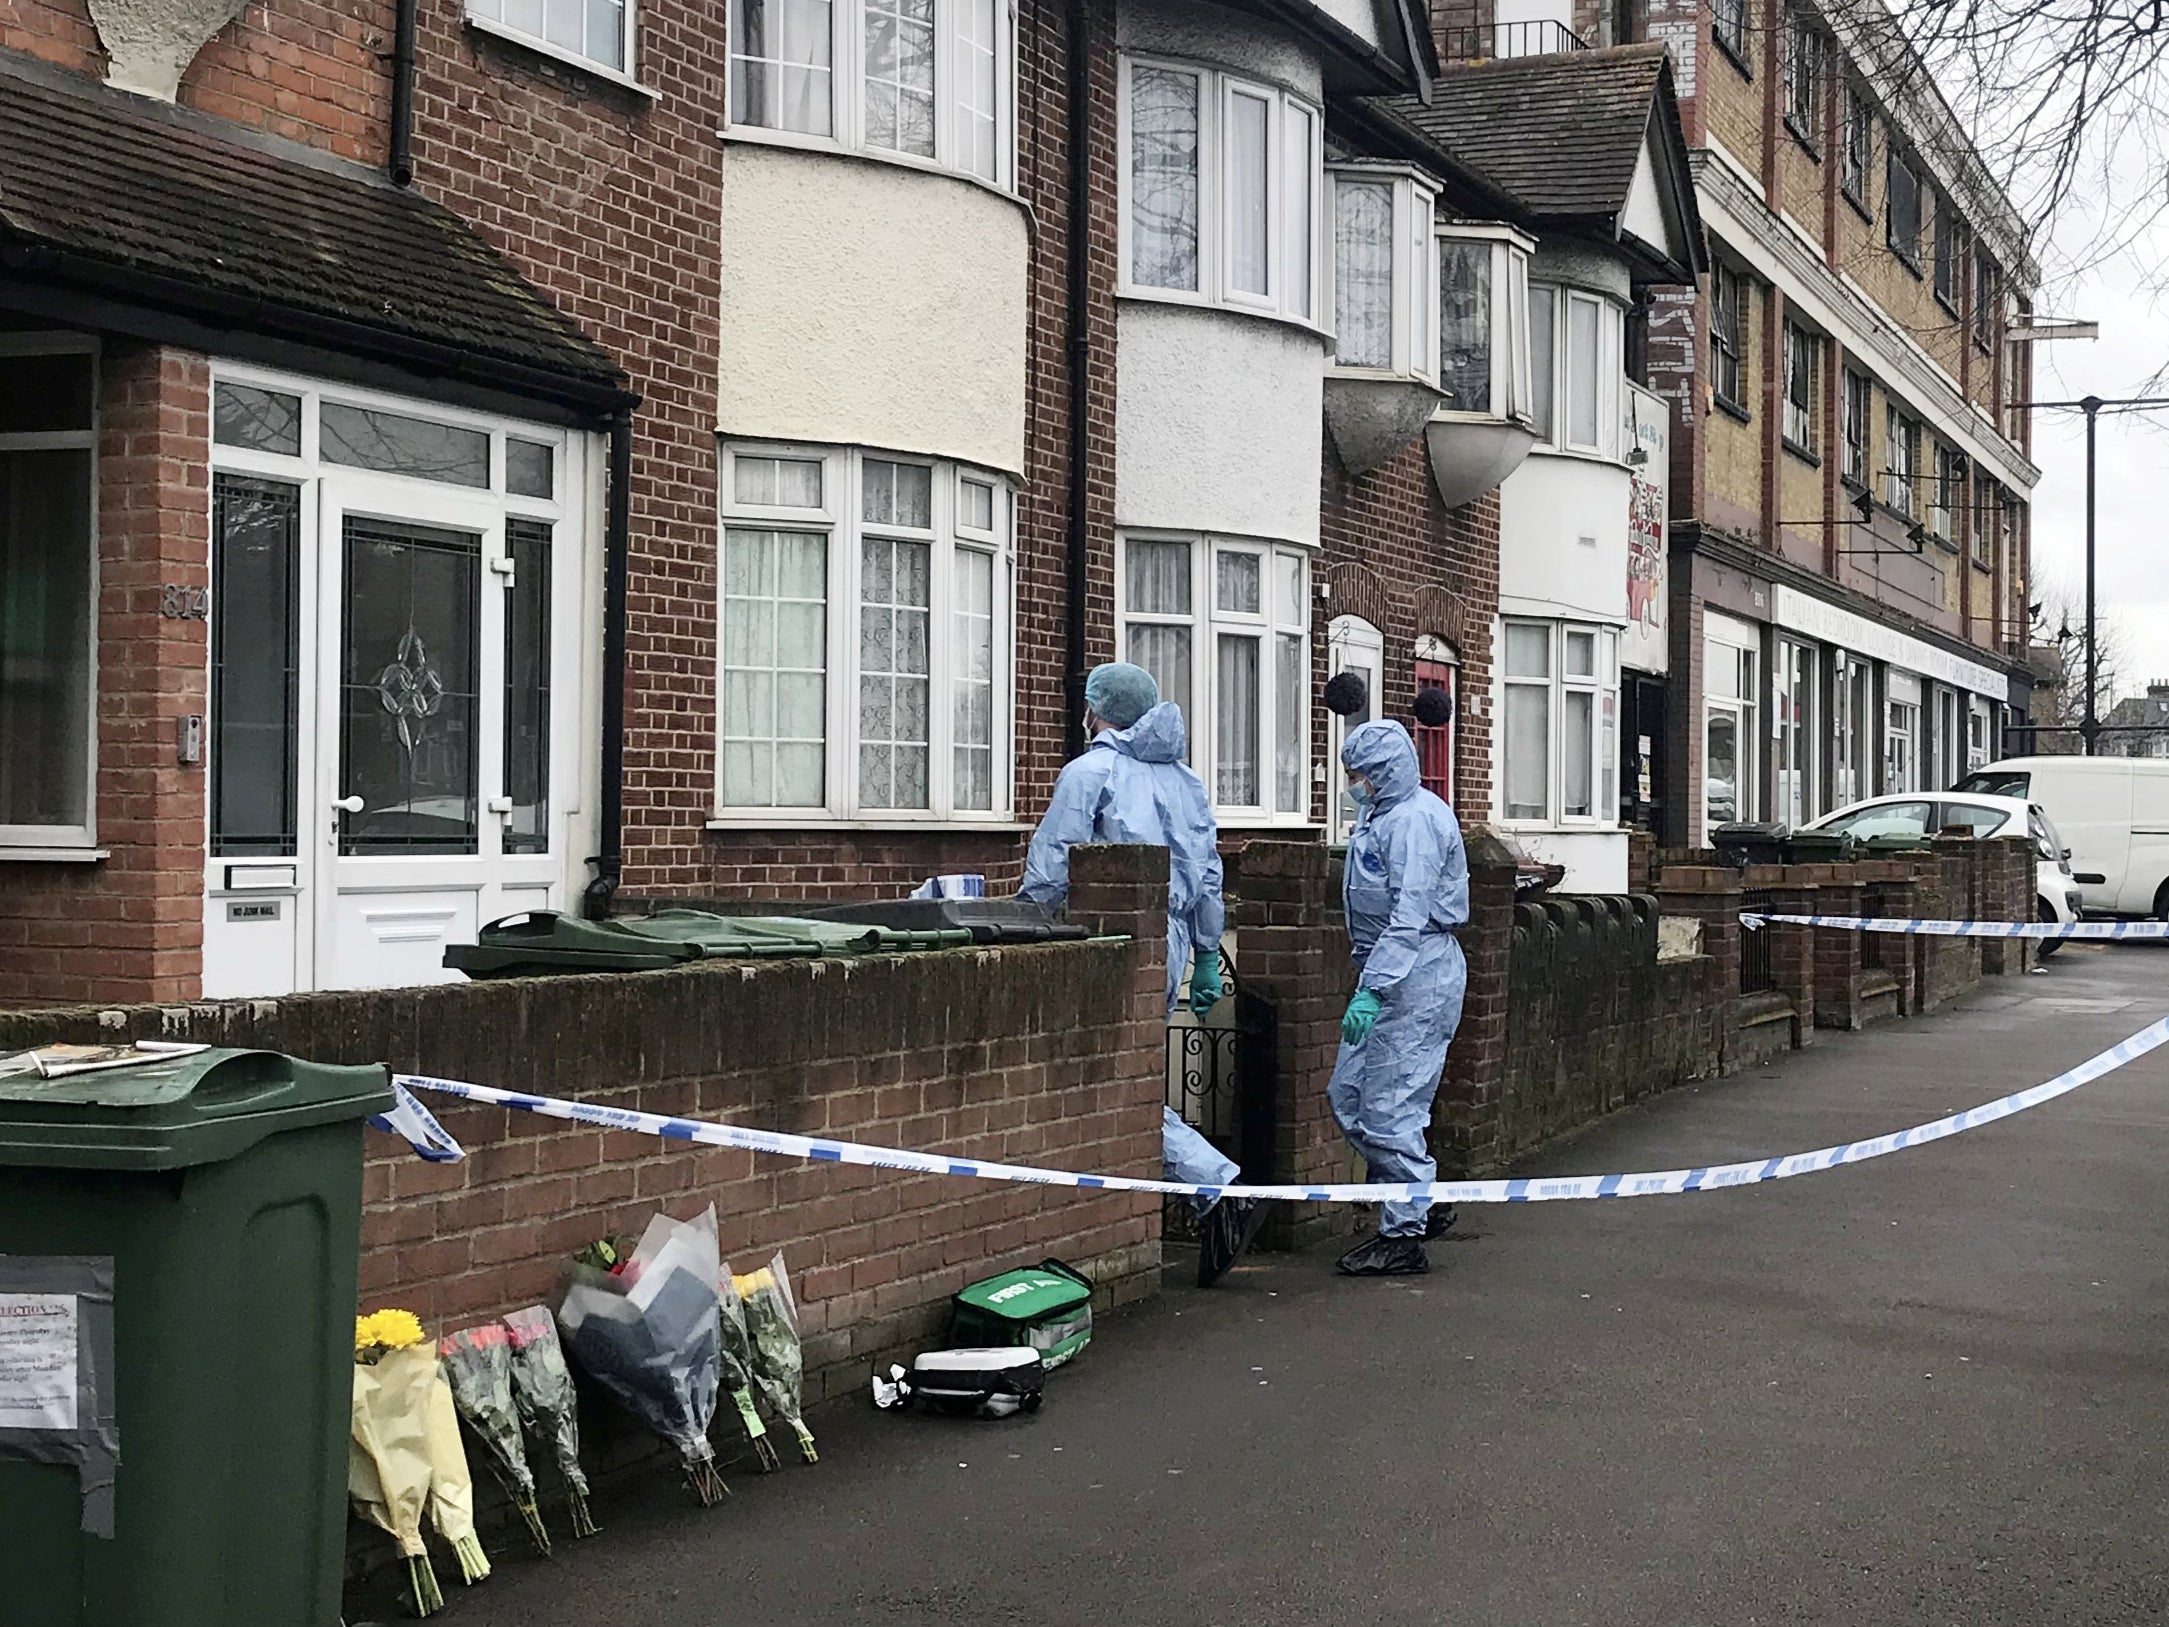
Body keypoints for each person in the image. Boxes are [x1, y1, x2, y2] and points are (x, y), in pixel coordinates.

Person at [1020, 661, 1267, 1287]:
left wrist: (1027, 926)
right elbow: (1208, 868)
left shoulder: (1090, 773)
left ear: (1097, 710)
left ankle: (1218, 1184)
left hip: (1113, 941)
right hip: (1176, 937)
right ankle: (1216, 1187)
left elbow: (1054, 868)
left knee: (1117, 1079)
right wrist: (1207, 950)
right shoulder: (1185, 782)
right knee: (1137, 1073)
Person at [1328, 718, 1469, 1277]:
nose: (1351, 781)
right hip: (1386, 973)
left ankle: (1404, 1233)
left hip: (1417, 974)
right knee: (1349, 1096)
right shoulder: (1379, 814)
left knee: (1390, 1107)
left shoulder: (1413, 821)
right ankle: (1419, 1196)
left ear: (1381, 772)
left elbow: (1407, 916)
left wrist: (1376, 988)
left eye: (1357, 772)